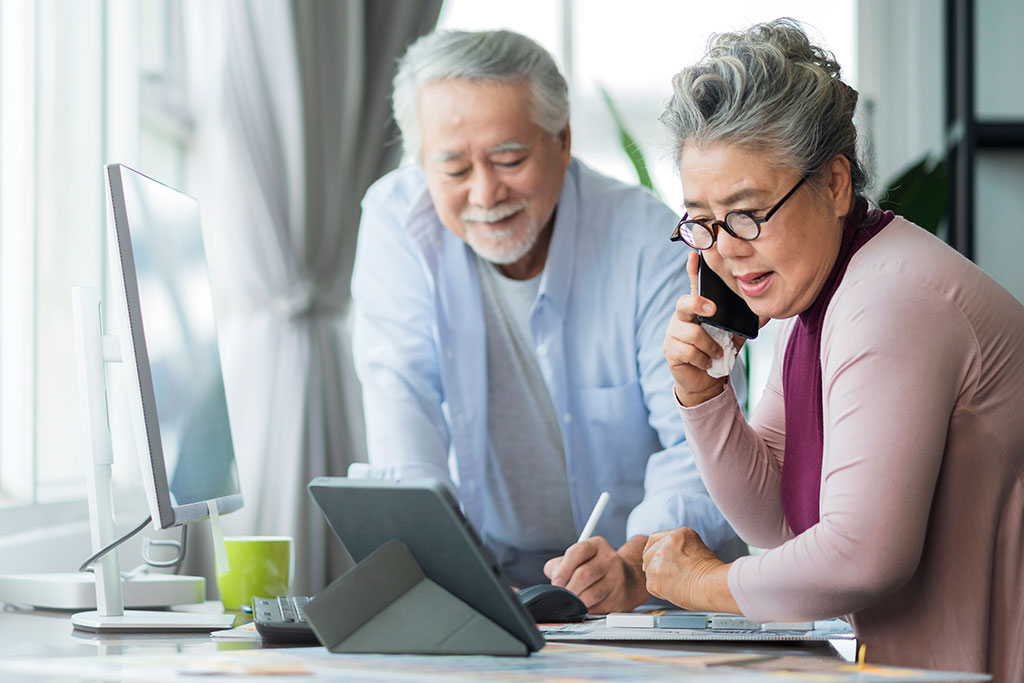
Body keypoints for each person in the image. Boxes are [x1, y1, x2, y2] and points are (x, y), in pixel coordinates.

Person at [648, 18, 1024, 679]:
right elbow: (773, 519)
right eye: (702, 222)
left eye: (747, 213)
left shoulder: (889, 298)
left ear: (836, 184)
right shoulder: (814, 298)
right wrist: (706, 395)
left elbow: (862, 554)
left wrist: (705, 582)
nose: (728, 249)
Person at [349, 28, 745, 613]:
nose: (485, 193)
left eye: (509, 159)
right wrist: (447, 568)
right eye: (454, 169)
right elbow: (401, 408)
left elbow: (703, 444)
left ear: (562, 140)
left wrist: (636, 564)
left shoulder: (646, 242)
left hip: (642, 590)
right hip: (486, 584)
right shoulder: (395, 222)